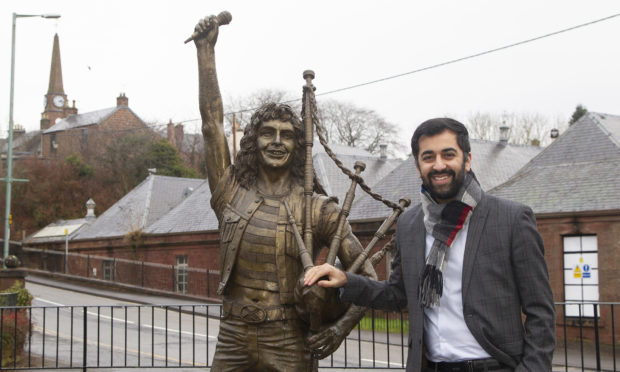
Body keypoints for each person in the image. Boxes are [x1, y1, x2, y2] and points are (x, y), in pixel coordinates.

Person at [192, 14, 377, 372]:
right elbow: (211, 124)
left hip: (290, 339)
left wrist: (340, 328)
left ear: (298, 145)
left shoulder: (318, 209)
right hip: (233, 334)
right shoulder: (230, 191)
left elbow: (368, 277)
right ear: (252, 142)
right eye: (267, 133)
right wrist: (205, 51)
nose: (277, 141)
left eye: (287, 134)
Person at [305, 118, 556, 372]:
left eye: (448, 155)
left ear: (467, 160)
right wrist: (346, 280)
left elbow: (541, 312)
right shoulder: (410, 224)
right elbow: (397, 295)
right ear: (418, 166)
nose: (439, 165)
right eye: (428, 157)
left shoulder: (511, 219)